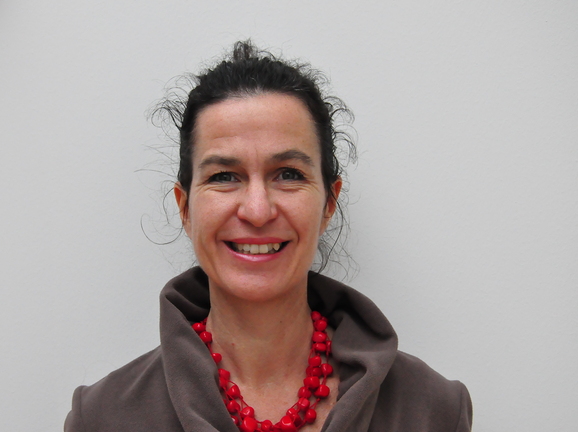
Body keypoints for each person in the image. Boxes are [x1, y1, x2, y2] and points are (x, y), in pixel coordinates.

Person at [64, 41, 472, 432]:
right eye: (224, 176)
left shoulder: (433, 410)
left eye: (288, 174)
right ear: (185, 208)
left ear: (329, 203)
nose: (257, 211)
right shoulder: (102, 418)